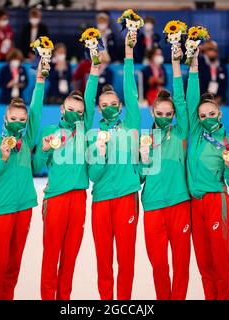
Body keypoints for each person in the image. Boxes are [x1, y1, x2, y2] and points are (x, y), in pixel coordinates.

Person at [32, 56, 100, 300]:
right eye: (70, 110)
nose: (75, 114)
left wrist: (94, 69)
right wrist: (45, 149)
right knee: (51, 256)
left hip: (79, 201)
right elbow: (36, 165)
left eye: (79, 112)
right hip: (56, 200)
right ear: (62, 109)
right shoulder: (49, 132)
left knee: (70, 258)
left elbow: (90, 98)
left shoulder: (84, 129)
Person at [0, 61, 46, 300]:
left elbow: (36, 109)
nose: (18, 122)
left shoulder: (27, 140)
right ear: (5, 118)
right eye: (13, 118)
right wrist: (3, 160)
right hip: (1, 209)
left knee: (14, 266)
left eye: (22, 119)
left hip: (25, 207)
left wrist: (40, 79)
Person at [88, 32, 140, 300]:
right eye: (103, 105)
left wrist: (129, 55)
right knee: (104, 259)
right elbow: (94, 176)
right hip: (101, 202)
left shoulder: (130, 124)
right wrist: (100, 151)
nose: (109, 108)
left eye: (113, 104)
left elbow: (131, 92)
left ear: (121, 107)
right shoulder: (94, 135)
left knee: (126, 258)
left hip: (126, 198)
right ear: (98, 109)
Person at [138, 46, 192, 300]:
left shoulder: (180, 132)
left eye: (169, 114)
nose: (164, 117)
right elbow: (138, 177)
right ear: (152, 112)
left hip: (180, 204)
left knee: (181, 265)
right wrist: (143, 159)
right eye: (160, 114)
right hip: (152, 207)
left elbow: (181, 101)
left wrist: (177, 65)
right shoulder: (145, 138)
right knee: (159, 266)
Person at [186, 48, 229, 301]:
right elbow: (191, 98)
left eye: (211, 114)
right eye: (202, 116)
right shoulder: (197, 135)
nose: (206, 118)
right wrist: (193, 65)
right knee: (204, 262)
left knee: (220, 260)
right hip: (194, 205)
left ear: (220, 114)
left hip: (216, 202)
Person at [198, 40, 228, 105]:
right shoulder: (200, 65)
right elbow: (199, 83)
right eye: (209, 49)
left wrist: (219, 97)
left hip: (219, 100)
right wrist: (205, 98)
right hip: (202, 99)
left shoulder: (222, 67)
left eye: (214, 50)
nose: (212, 52)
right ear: (205, 51)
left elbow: (224, 85)